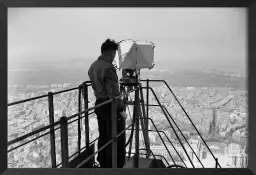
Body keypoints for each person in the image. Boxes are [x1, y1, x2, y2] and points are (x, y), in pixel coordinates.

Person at [87, 39, 126, 168]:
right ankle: (114, 165)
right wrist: (120, 108)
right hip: (109, 105)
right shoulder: (108, 67)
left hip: (99, 104)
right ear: (109, 53)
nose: (114, 58)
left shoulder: (93, 66)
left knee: (104, 135)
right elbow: (114, 92)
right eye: (114, 55)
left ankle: (103, 162)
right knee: (115, 137)